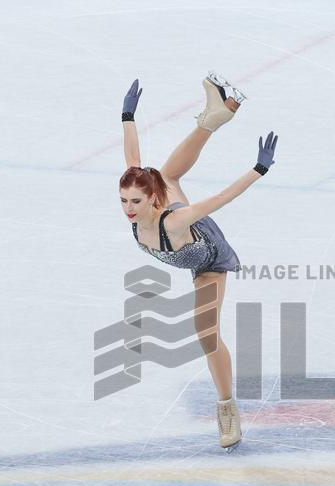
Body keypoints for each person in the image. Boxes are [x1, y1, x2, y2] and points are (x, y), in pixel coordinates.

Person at [118, 74, 278, 451]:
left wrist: (258, 169)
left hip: (208, 259)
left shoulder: (175, 219)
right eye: (124, 201)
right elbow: (132, 158)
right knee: (168, 173)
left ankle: (227, 409)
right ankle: (217, 114)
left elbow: (221, 198)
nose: (128, 209)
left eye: (135, 203)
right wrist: (127, 114)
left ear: (150, 200)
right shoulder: (144, 189)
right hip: (169, 206)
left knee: (206, 334)